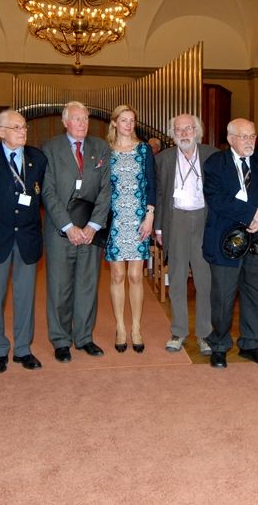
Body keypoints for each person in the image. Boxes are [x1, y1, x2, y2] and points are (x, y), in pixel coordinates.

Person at [202, 118, 258, 368]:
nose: (250, 141)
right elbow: (217, 199)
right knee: (224, 297)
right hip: (226, 239)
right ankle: (219, 344)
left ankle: (250, 344)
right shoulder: (215, 163)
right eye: (243, 137)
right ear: (230, 139)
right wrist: (251, 214)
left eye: (252, 136)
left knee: (255, 293)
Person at [41, 101, 113, 362]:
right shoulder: (50, 148)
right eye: (77, 119)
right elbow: (47, 192)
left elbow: (106, 190)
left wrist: (94, 226)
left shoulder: (101, 148)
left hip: (91, 232)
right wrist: (68, 226)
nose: (83, 123)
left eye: (85, 119)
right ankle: (60, 340)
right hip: (61, 231)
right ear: (65, 122)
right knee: (59, 287)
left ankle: (84, 337)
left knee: (87, 285)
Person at [0, 109, 47, 373]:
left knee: (25, 296)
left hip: (28, 238)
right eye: (17, 127)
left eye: (24, 127)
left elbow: (43, 195)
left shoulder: (37, 158)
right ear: (0, 131)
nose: (23, 132)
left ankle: (22, 349)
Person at [155, 114, 217, 355]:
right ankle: (179, 331)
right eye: (178, 130)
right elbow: (160, 194)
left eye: (188, 129)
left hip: (204, 219)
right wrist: (159, 227)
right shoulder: (164, 159)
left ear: (197, 131)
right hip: (176, 219)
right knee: (177, 279)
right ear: (173, 134)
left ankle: (205, 334)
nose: (184, 134)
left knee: (204, 279)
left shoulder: (212, 155)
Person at [104, 105, 157, 353]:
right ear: (114, 123)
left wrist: (149, 216)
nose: (128, 124)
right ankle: (120, 328)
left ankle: (136, 327)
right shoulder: (106, 151)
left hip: (138, 218)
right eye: (123, 120)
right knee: (117, 275)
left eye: (132, 120)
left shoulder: (144, 150)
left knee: (136, 276)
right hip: (115, 219)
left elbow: (152, 185)